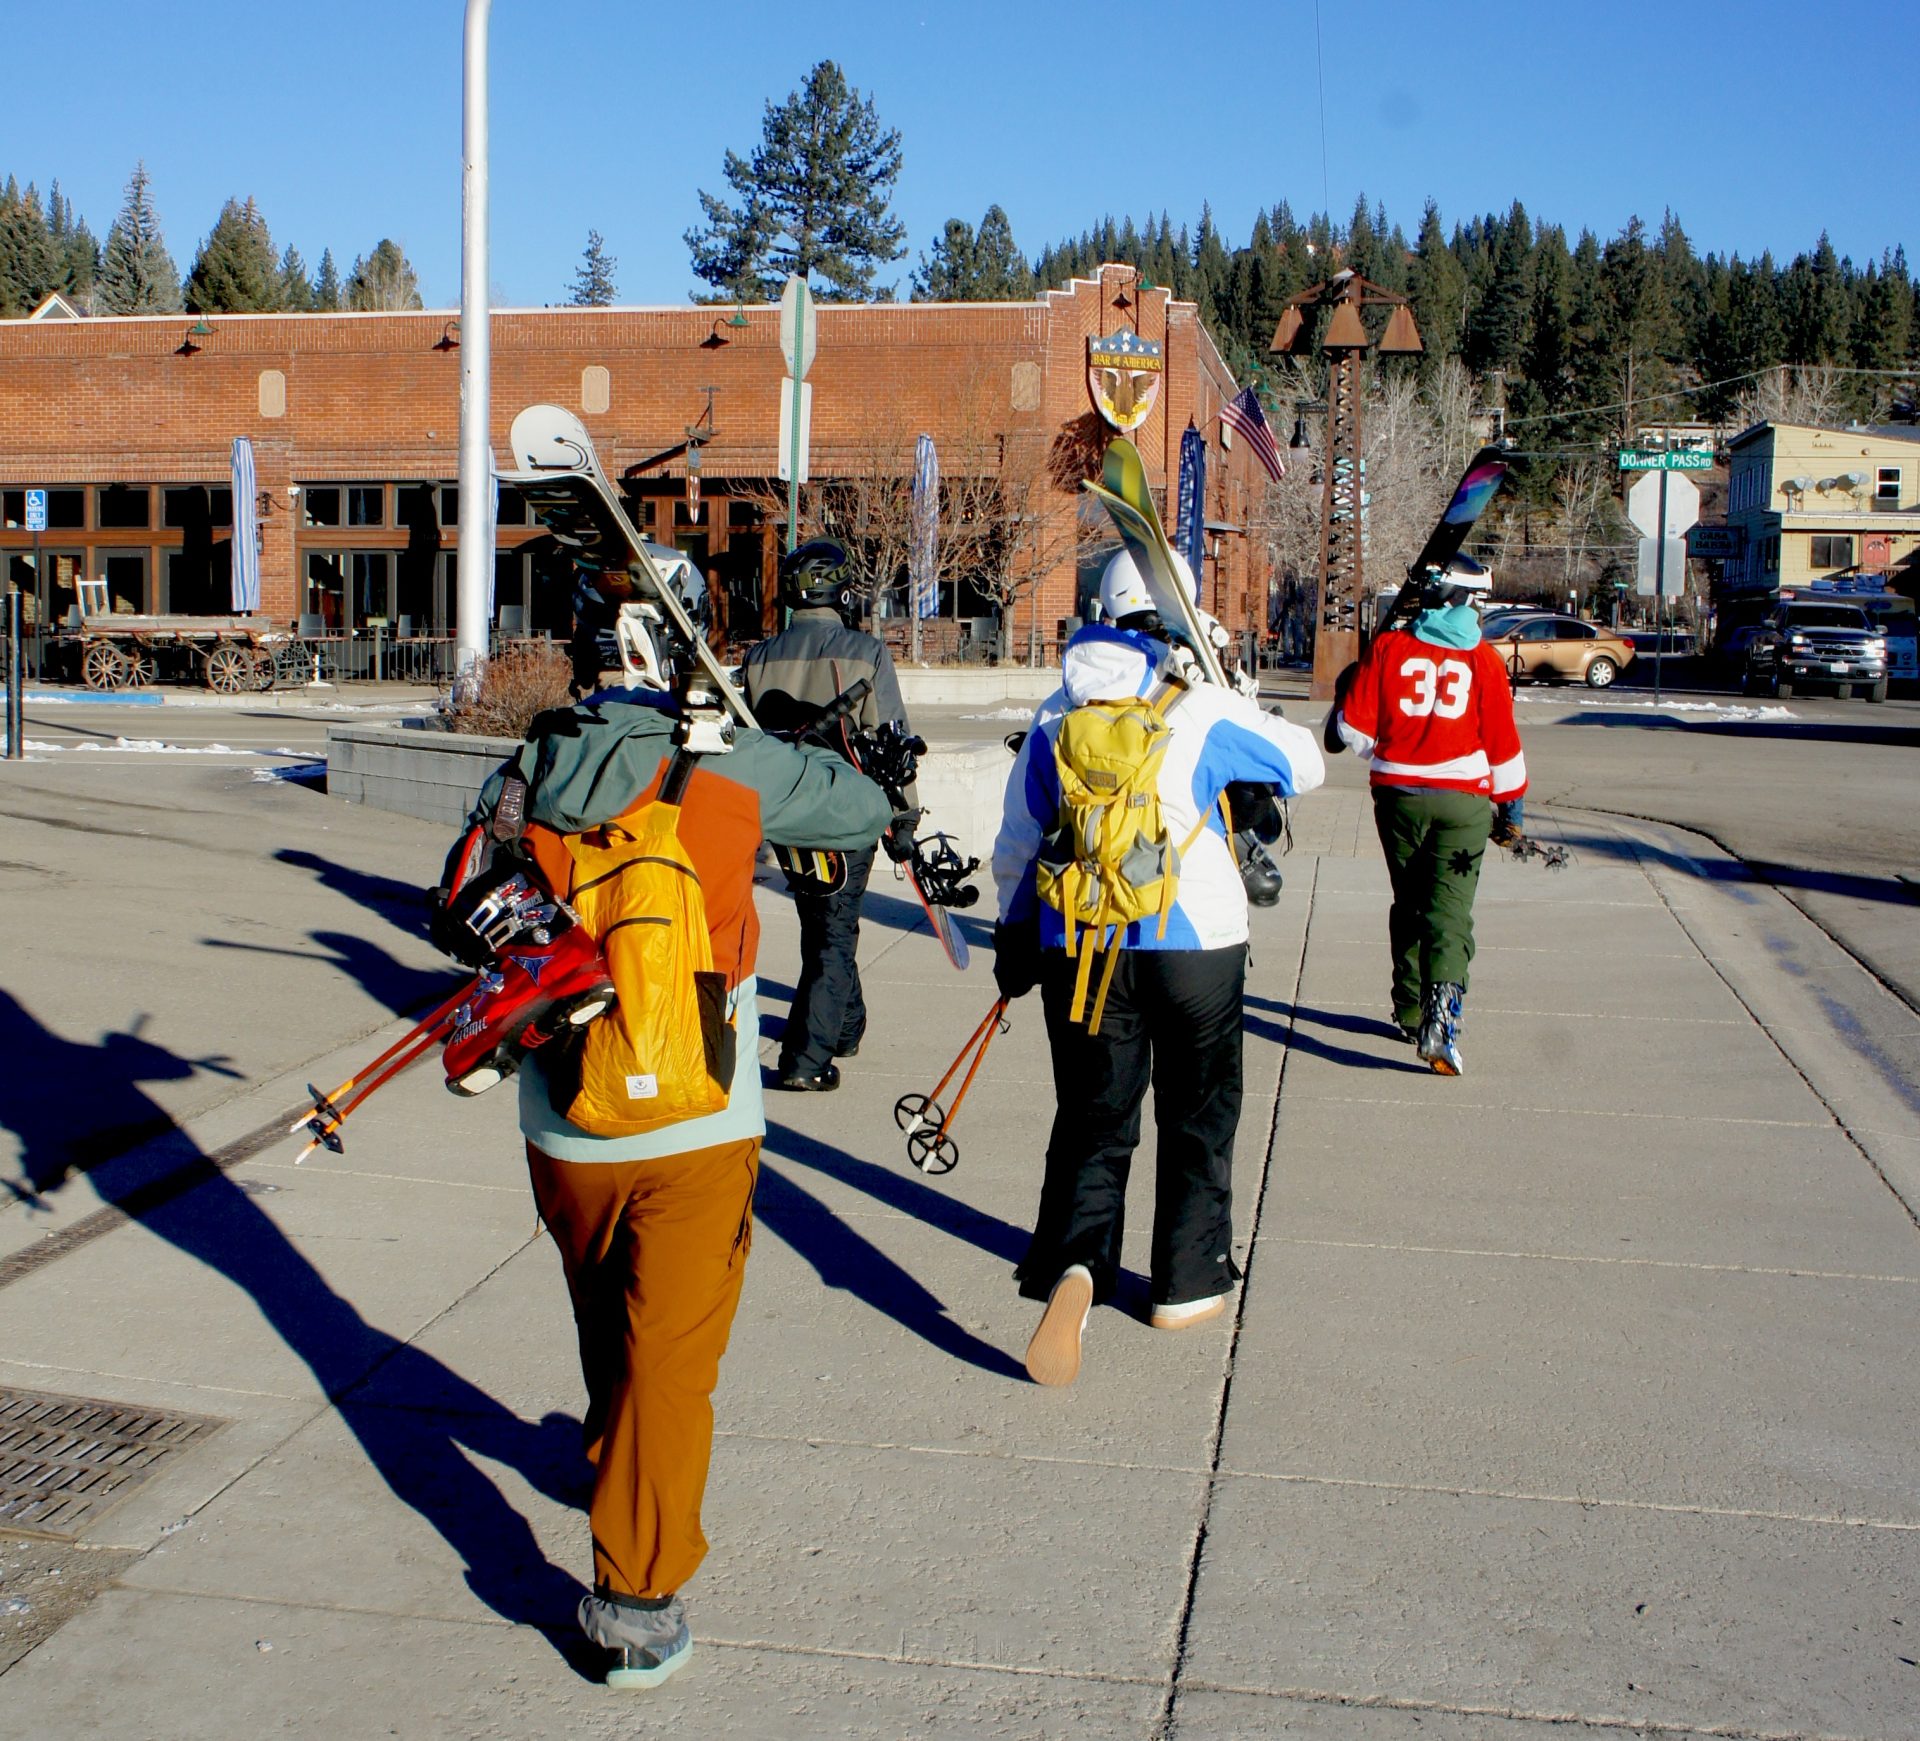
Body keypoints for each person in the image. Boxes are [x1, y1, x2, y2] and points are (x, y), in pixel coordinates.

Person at [444, 595, 892, 1688]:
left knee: (610, 1315)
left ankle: (614, 1456)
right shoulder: (731, 766)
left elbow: (471, 910)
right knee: (673, 1356)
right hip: (703, 1114)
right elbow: (858, 811)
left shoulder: (523, 776)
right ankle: (636, 1597)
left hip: (564, 1120)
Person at [990, 549, 1325, 1386]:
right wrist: (1239, 696)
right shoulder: (1202, 707)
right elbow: (1308, 765)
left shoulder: (1051, 714)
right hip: (1198, 945)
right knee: (1199, 1111)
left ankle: (1074, 1269)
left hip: (1085, 946)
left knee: (1094, 1121)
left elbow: (1018, 846)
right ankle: (1186, 1280)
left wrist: (1014, 933)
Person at [1329, 554, 1527, 1074]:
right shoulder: (1483, 660)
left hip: (1397, 797)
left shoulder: (1390, 649)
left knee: (1410, 900)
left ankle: (1410, 1006)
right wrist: (1511, 809)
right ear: (1465, 601)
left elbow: (1353, 732)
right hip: (1462, 803)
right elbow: (1503, 744)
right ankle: (1441, 1019)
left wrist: (1391, 755)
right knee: (1449, 910)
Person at [740, 539, 918, 1092]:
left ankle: (844, 1027)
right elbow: (892, 739)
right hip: (845, 811)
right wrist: (904, 818)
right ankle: (805, 1059)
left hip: (783, 813)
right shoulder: (863, 650)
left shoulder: (759, 656)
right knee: (834, 935)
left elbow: (747, 739)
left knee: (823, 923)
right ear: (839, 590)